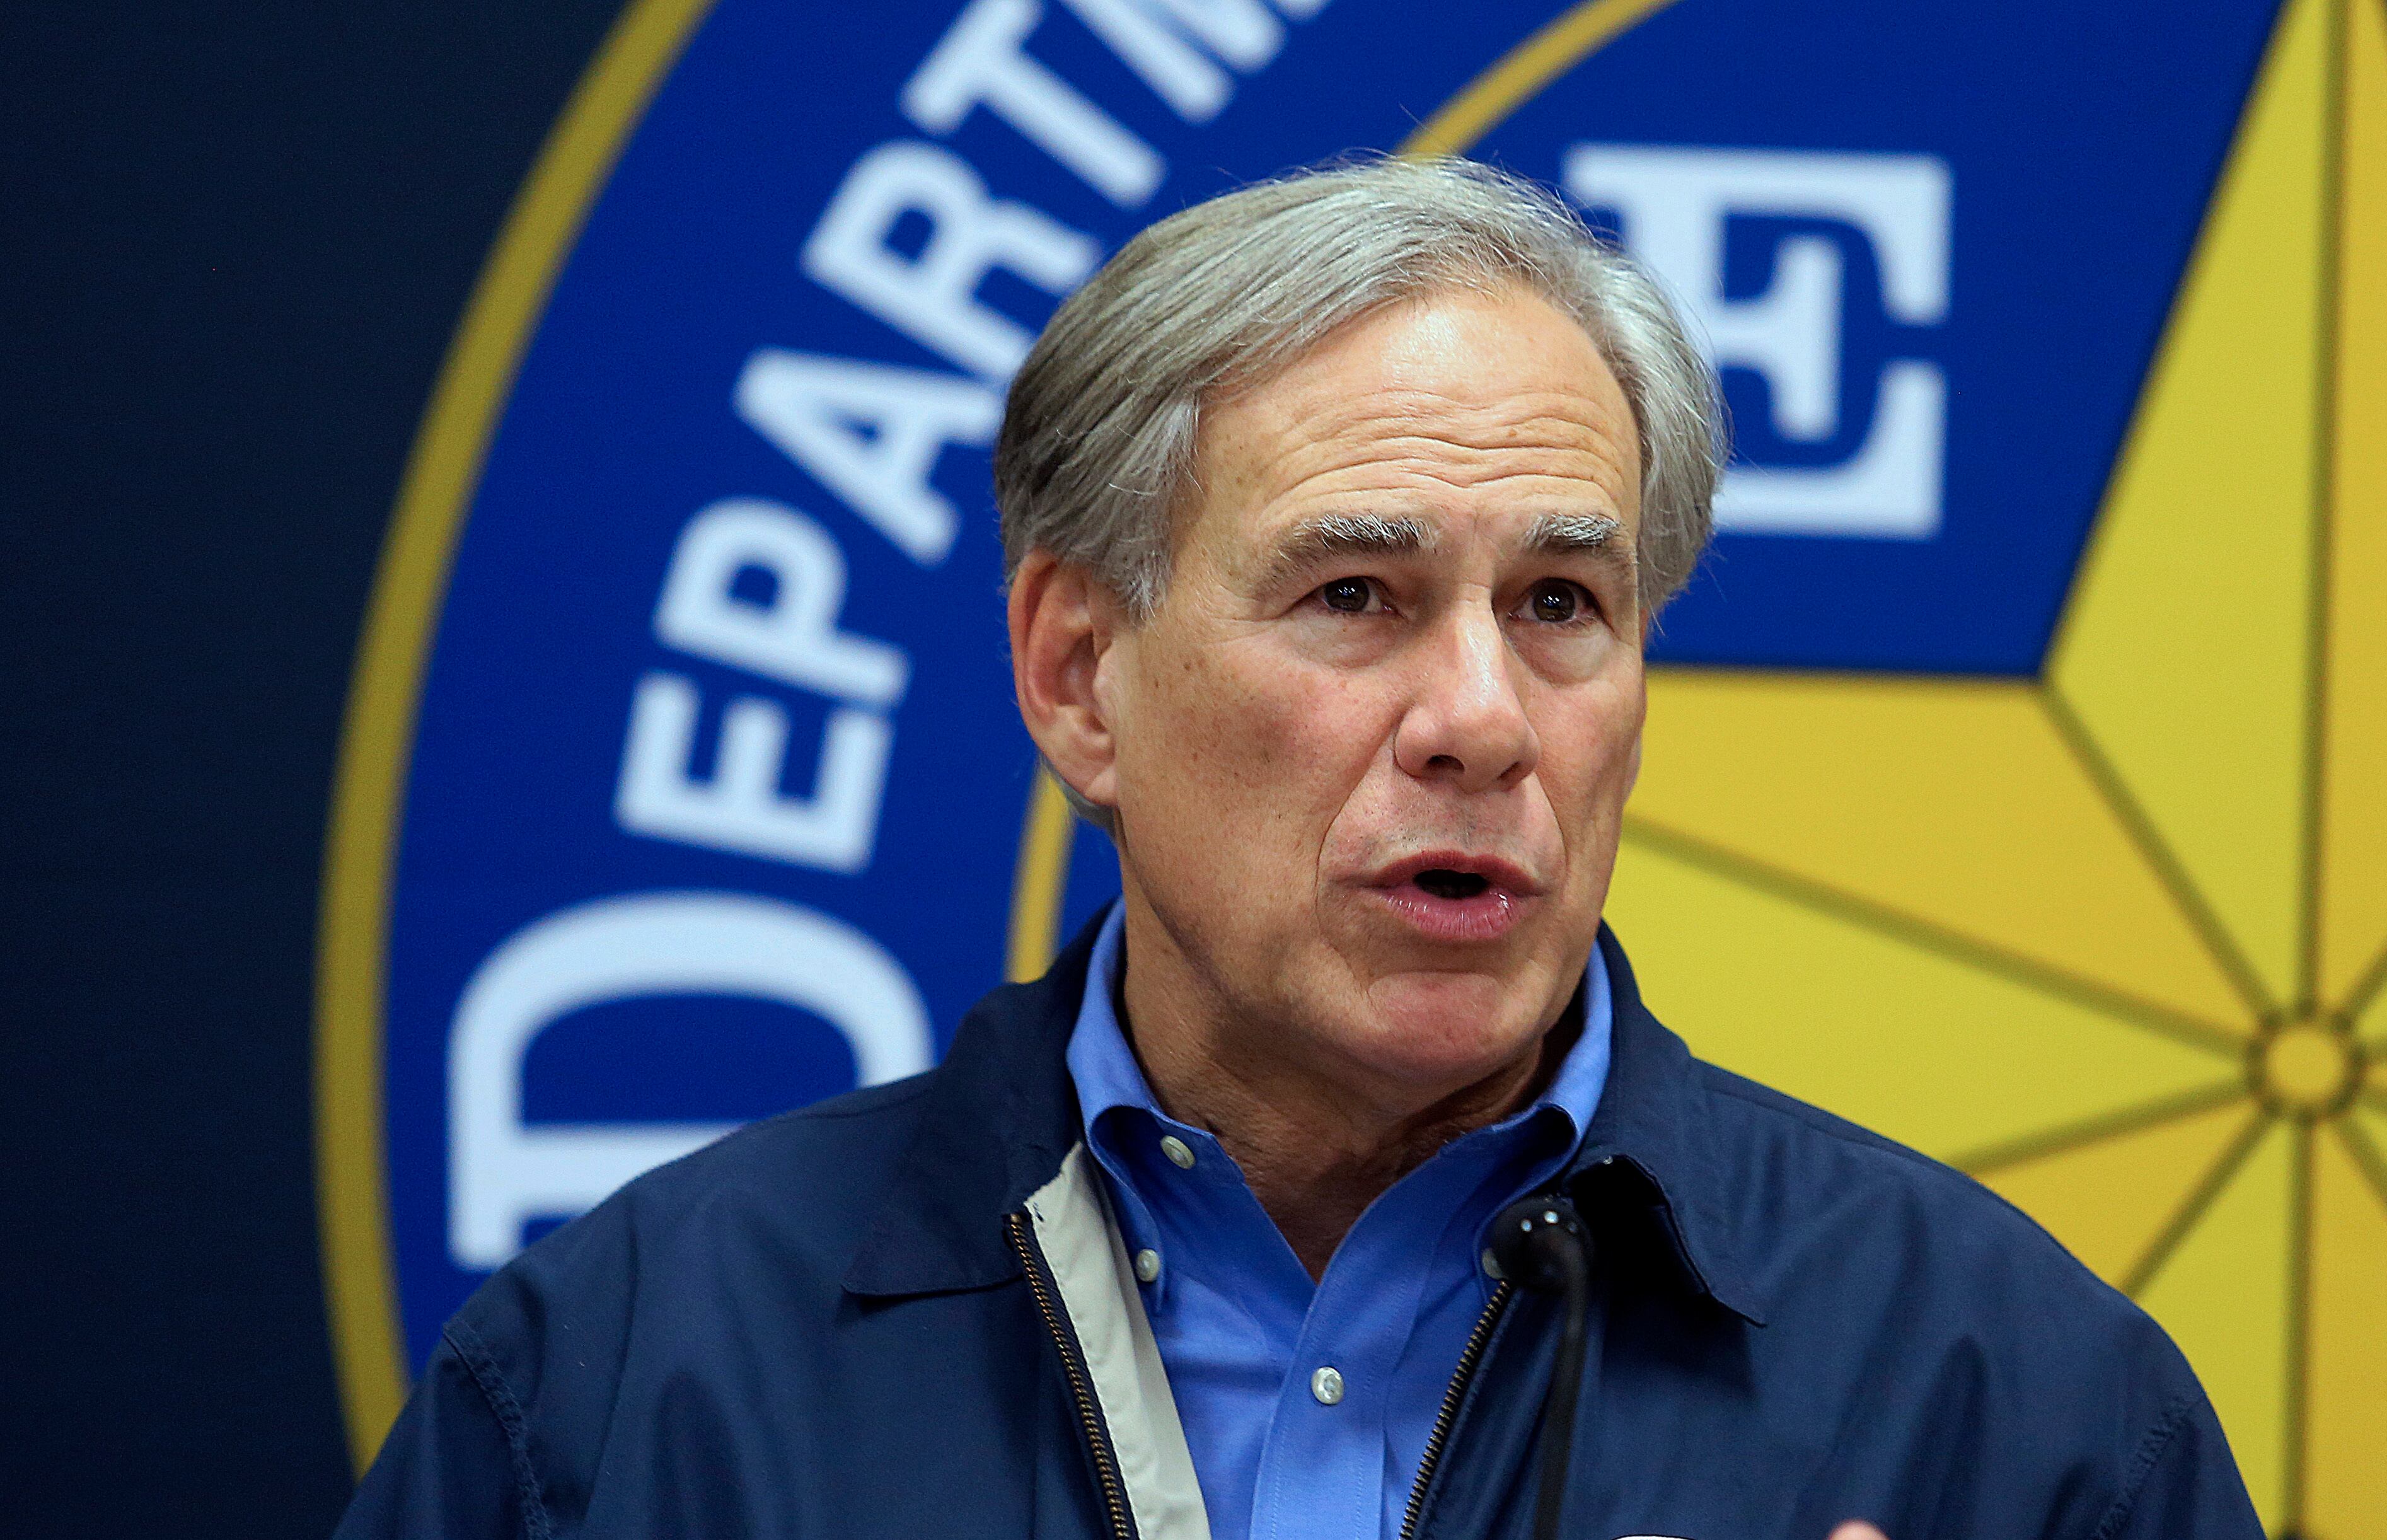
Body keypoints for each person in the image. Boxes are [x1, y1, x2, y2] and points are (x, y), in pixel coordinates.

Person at [336, 156, 2261, 1540]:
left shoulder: (2014, 1403)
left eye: (1564, 604)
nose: (1483, 717)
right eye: (1355, 592)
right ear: (1079, 675)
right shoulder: (628, 1380)